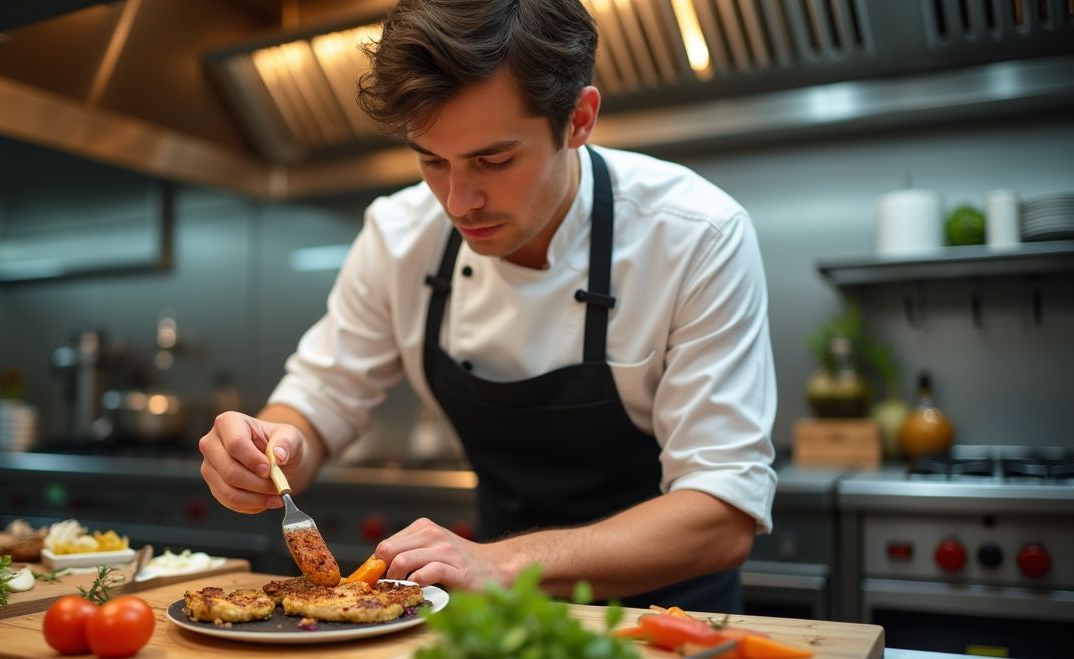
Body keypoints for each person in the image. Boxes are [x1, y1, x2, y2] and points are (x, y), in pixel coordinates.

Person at [199, 0, 776, 612]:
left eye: (493, 161)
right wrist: (270, 452)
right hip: (499, 618)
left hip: (666, 620)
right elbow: (320, 400)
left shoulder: (695, 235)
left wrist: (502, 560)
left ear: (578, 120)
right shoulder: (399, 236)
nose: (458, 201)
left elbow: (723, 514)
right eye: (430, 160)